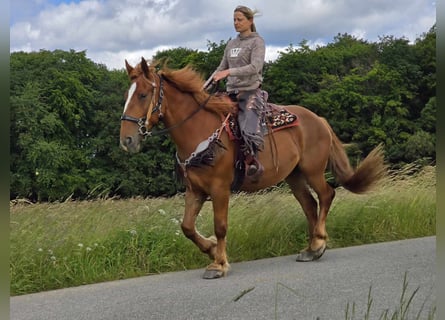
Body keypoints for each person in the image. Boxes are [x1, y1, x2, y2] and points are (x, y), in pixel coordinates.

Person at [212, 5, 266, 180]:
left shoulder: (257, 42)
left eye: (240, 19)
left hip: (250, 91)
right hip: (230, 92)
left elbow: (255, 67)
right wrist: (203, 86)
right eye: (234, 20)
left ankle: (253, 161)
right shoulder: (231, 44)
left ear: (250, 21)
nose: (236, 23)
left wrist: (229, 72)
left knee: (246, 123)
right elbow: (221, 68)